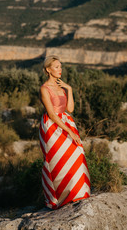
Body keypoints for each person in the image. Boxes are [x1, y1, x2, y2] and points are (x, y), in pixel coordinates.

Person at [39, 55, 91, 209]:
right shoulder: (44, 89)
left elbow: (70, 109)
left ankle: (77, 193)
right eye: (56, 67)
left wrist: (69, 90)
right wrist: (70, 131)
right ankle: (58, 197)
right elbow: (52, 114)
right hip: (52, 127)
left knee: (77, 154)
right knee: (57, 161)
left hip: (66, 122)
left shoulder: (61, 88)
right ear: (48, 70)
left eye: (61, 67)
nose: (60, 70)